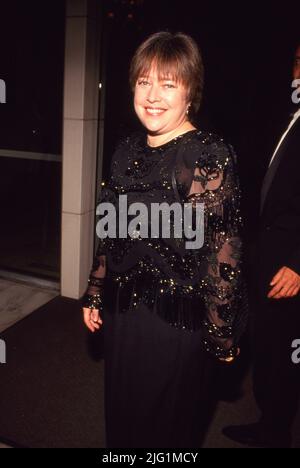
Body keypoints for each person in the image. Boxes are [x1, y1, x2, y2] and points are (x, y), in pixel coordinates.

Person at [82, 31, 247, 448]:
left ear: (191, 91)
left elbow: (223, 252)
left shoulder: (208, 155)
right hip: (123, 316)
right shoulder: (124, 149)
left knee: (165, 433)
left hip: (176, 325)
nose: (152, 95)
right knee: (123, 422)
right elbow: (110, 228)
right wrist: (96, 291)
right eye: (144, 81)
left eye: (168, 84)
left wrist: (221, 335)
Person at [223, 43, 300, 448]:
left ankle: (275, 433)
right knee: (266, 346)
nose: (298, 70)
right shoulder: (291, 117)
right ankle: (270, 423)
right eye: (298, 60)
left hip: (289, 265)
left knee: (280, 353)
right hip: (267, 253)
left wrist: (298, 264)